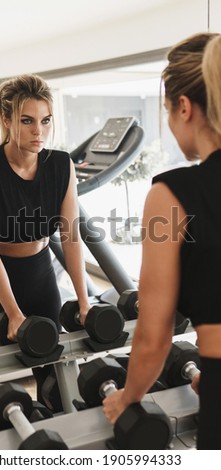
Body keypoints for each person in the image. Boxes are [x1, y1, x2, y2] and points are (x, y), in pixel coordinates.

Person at [102, 32, 221, 450]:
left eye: (168, 112)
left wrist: (127, 396)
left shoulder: (171, 194)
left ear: (184, 108)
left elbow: (155, 334)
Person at [0, 73, 91, 421]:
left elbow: (71, 237)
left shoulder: (61, 164)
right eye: (27, 121)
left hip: (41, 278)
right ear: (6, 120)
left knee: (54, 382)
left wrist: (84, 301)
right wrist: (14, 313)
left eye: (46, 121)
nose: (39, 131)